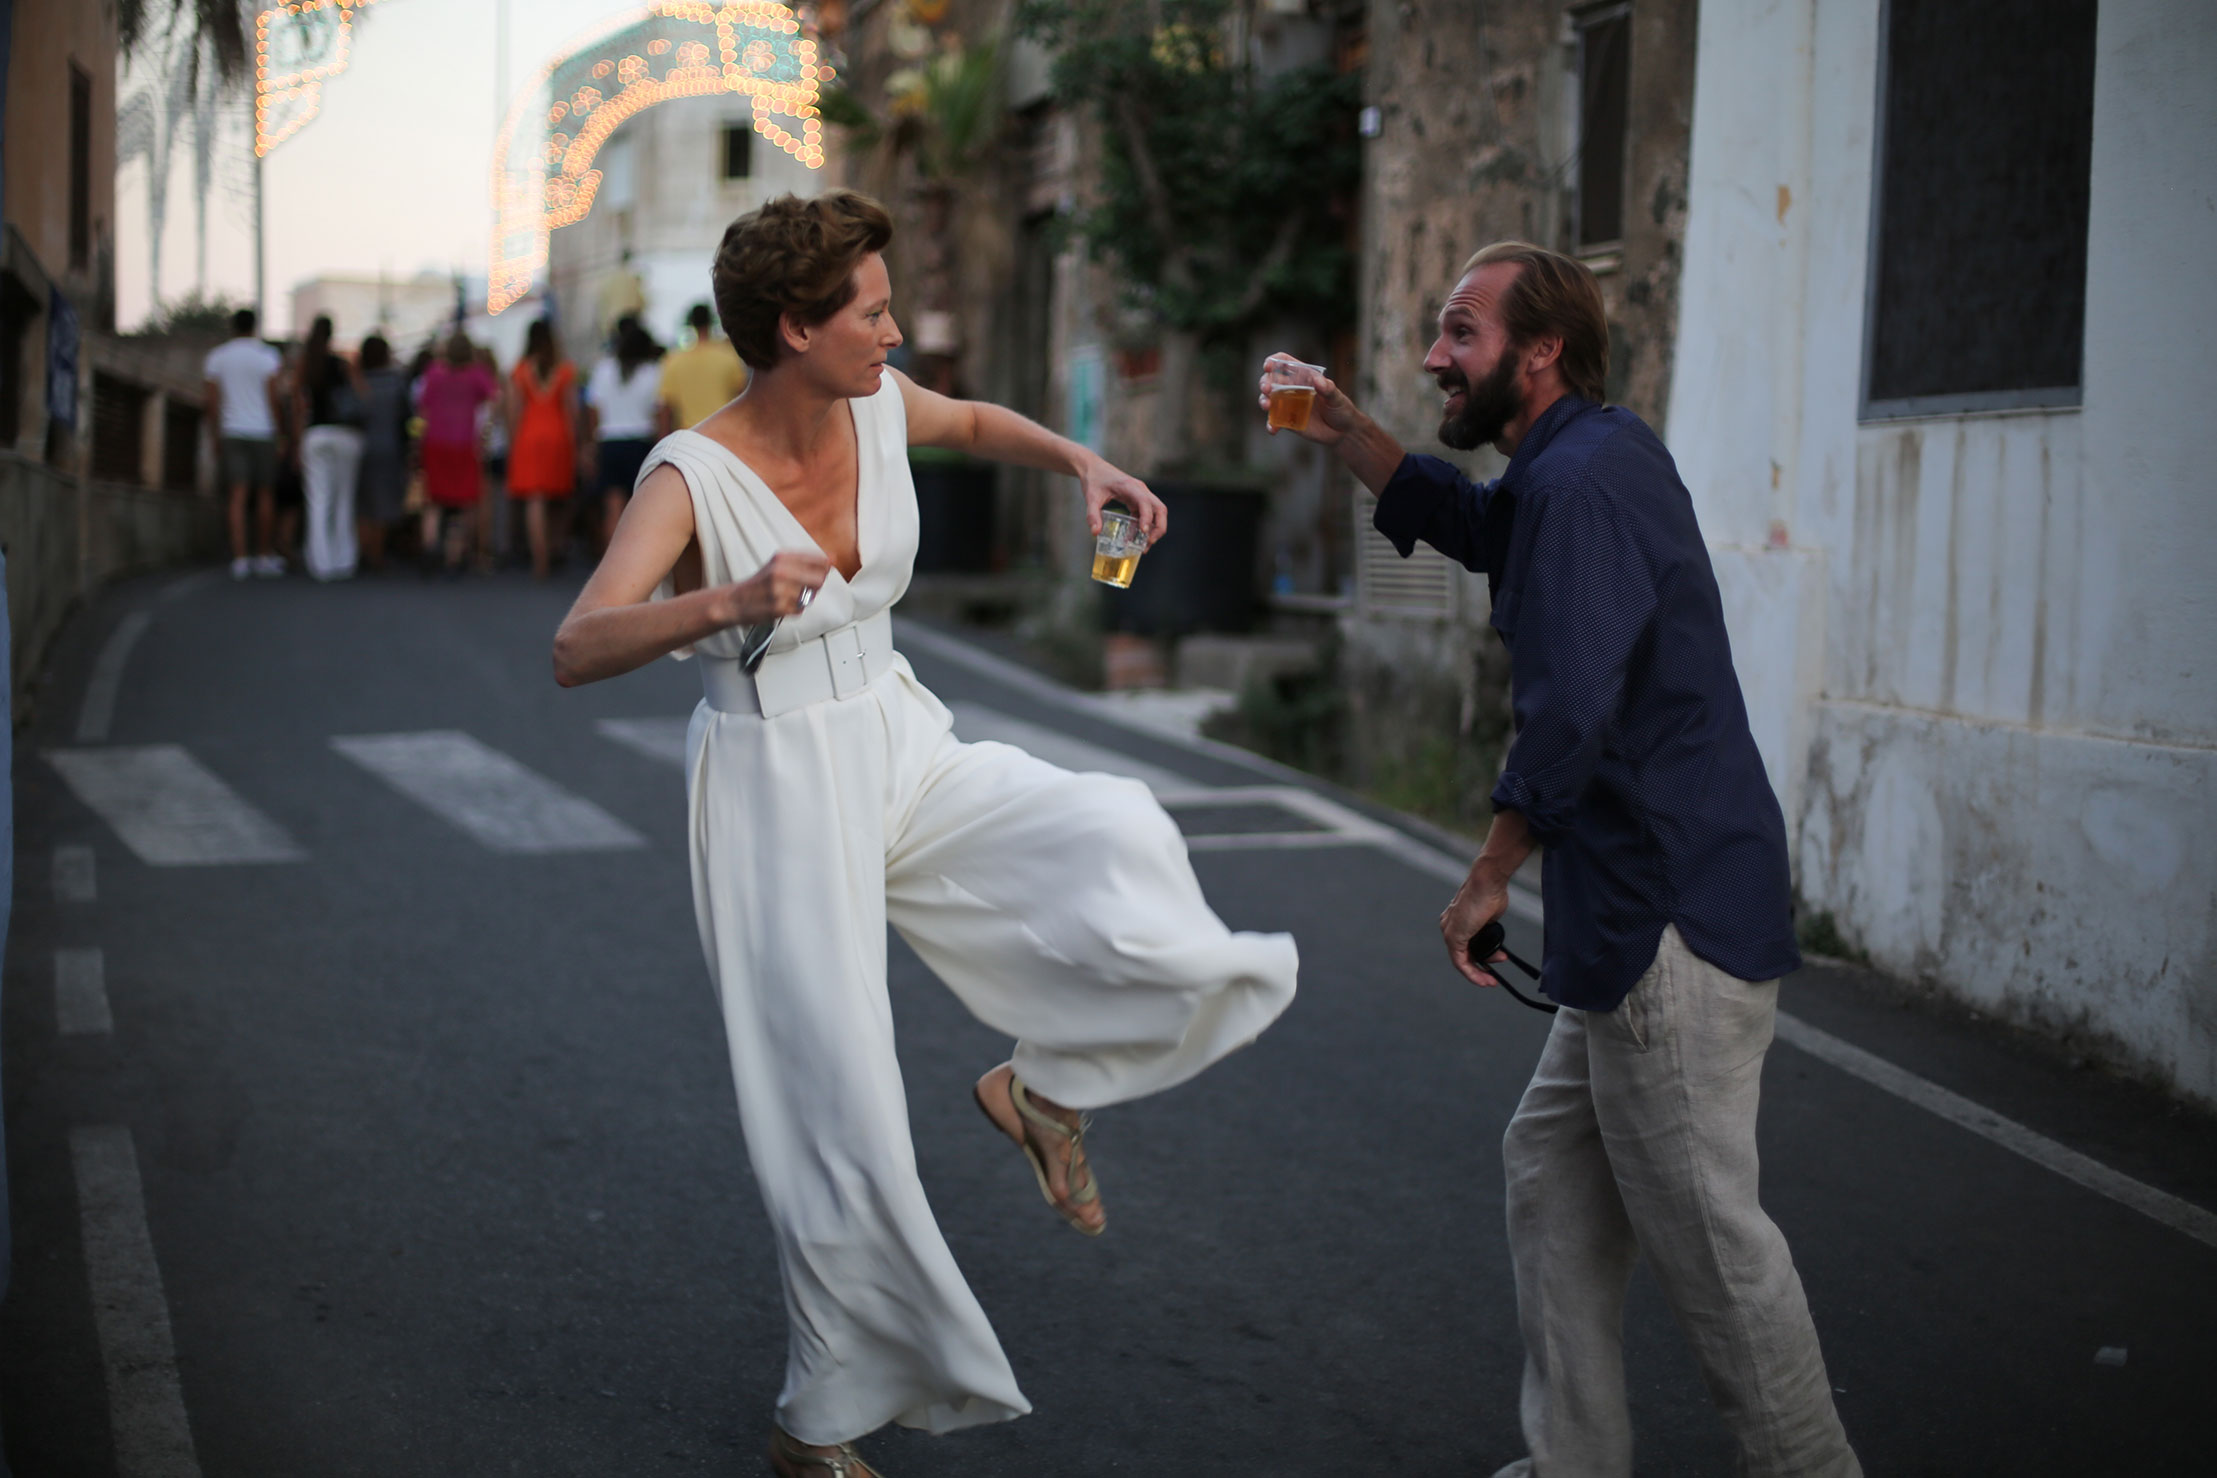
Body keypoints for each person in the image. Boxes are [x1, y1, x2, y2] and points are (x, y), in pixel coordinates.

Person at [552, 190, 1297, 1477]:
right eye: (873, 312)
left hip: (897, 733)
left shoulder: (879, 405)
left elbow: (975, 422)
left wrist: (1084, 464)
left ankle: (1047, 1086)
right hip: (776, 783)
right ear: (796, 328)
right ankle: (817, 1424)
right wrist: (726, 598)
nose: (895, 332)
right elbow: (577, 644)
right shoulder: (689, 474)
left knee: (1113, 827)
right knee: (841, 1108)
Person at [1262, 243, 1860, 1478]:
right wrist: (1347, 428)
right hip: (1636, 916)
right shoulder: (1583, 457)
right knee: (1549, 1169)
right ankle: (1575, 1460)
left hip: (1666, 922)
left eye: (1462, 331)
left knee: (1713, 1246)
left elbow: (1570, 711)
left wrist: (1488, 872)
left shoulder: (1579, 485)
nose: (1437, 354)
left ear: (1539, 351)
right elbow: (1476, 523)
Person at [202, 307, 286, 580]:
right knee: (265, 494)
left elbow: (211, 401)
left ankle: (240, 558)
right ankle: (263, 555)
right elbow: (274, 398)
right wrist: (281, 434)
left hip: (232, 430)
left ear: (233, 327)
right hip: (263, 431)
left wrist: (214, 434)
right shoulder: (267, 356)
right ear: (255, 327)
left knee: (237, 495)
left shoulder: (217, 357)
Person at [413, 332, 499, 574]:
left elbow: (422, 409)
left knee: (434, 500)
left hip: (435, 443)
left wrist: (418, 439)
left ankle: (429, 547)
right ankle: (455, 554)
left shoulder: (433, 374)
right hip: (464, 444)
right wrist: (486, 428)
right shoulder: (476, 375)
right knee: (462, 502)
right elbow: (496, 397)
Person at [291, 314, 366, 581]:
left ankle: (321, 563)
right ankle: (344, 560)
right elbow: (363, 396)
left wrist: (296, 441)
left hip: (316, 434)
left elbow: (298, 406)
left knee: (319, 500)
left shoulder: (305, 365)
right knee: (344, 499)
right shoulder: (344, 365)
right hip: (346, 435)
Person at [582, 314, 663, 551]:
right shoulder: (652, 371)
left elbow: (592, 410)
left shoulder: (603, 369)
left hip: (609, 442)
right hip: (641, 443)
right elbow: (659, 412)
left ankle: (611, 560)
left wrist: (591, 444)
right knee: (642, 508)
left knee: (613, 508)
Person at [505, 319, 579, 579]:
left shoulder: (520, 370)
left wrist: (514, 442)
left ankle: (540, 559)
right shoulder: (565, 370)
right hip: (558, 436)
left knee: (534, 499)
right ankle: (555, 546)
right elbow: (572, 411)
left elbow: (513, 411)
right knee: (558, 496)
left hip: (528, 436)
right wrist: (576, 443)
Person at [355, 334, 411, 571]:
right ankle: (376, 554)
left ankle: (363, 550)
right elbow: (407, 417)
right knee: (383, 502)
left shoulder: (358, 381)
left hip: (360, 446)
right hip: (389, 447)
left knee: (362, 502)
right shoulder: (396, 382)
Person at [657, 301, 749, 433]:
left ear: (690, 323)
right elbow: (742, 397)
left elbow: (666, 408)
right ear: (711, 322)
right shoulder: (729, 356)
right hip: (723, 433)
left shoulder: (674, 360)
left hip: (688, 435)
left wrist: (662, 439)